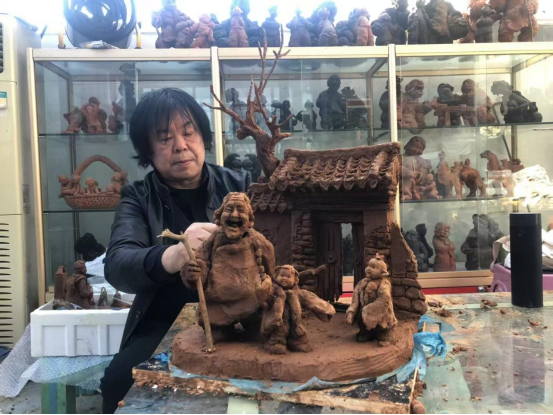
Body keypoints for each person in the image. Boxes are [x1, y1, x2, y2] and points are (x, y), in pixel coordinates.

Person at [100, 88, 250, 414]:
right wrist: (175, 254)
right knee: (118, 381)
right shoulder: (137, 197)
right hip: (163, 317)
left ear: (203, 136)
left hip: (239, 311)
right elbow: (118, 264)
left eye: (188, 132)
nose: (180, 145)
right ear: (148, 150)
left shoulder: (240, 185)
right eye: (165, 138)